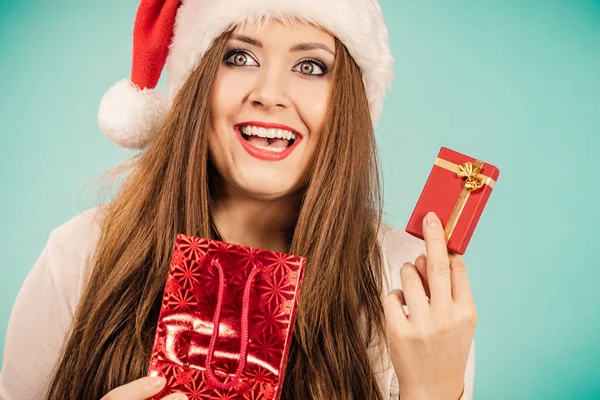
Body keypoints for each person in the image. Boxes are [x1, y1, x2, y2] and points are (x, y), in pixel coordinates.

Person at [0, 0, 477, 399]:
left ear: (349, 102)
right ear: (195, 86)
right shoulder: (79, 256)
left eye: (311, 66)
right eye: (239, 57)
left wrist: (434, 392)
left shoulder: (409, 287)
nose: (270, 94)